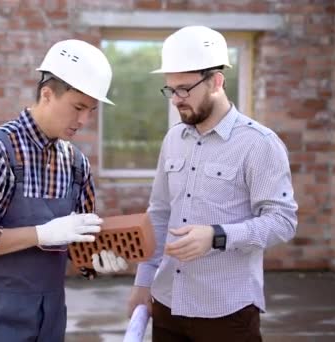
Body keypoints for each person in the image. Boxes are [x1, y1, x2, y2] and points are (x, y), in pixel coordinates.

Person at [0, 39, 127, 341]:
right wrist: (42, 234)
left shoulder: (76, 164)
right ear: (47, 94)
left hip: (51, 312)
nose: (83, 120)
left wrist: (98, 262)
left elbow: (81, 246)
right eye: (78, 107)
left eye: (91, 111)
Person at [127, 25, 298, 341]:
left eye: (184, 89)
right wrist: (143, 283)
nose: (176, 100)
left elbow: (283, 222)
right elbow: (159, 213)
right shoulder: (173, 139)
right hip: (167, 304)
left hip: (227, 313)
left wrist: (218, 236)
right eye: (170, 89)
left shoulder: (259, 144)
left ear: (216, 81)